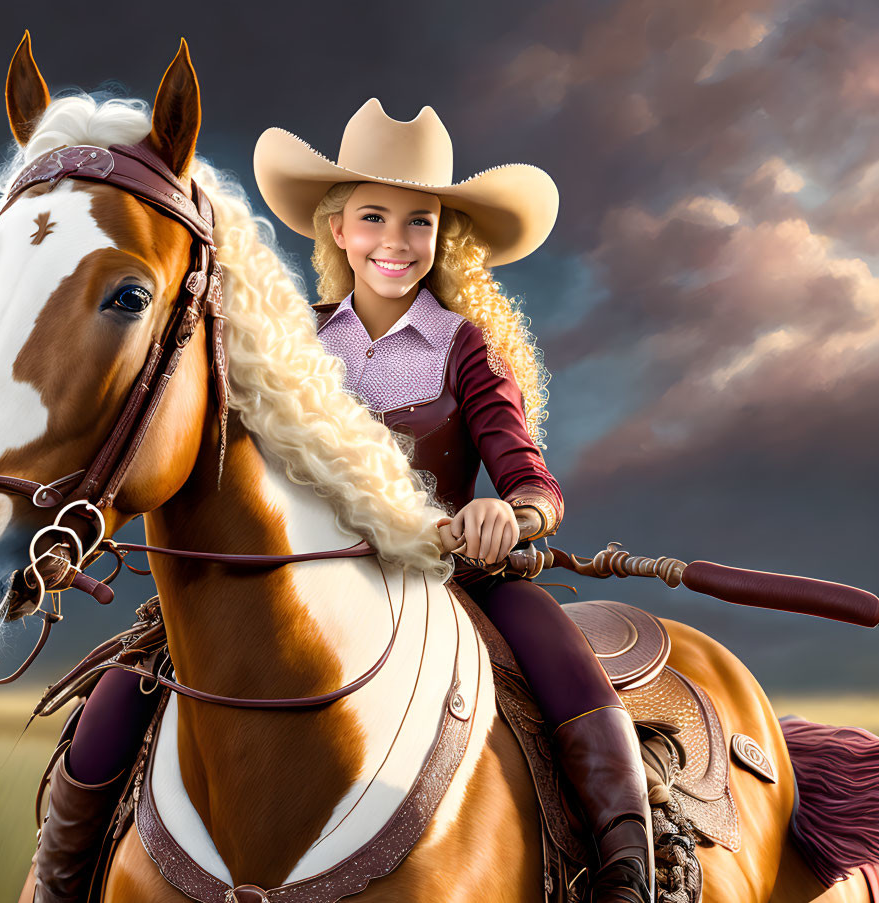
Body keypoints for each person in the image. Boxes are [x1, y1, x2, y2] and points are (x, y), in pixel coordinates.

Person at [250, 98, 654, 903]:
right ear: (337, 229)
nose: (395, 243)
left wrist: (510, 514)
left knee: (560, 662)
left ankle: (633, 862)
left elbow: (529, 478)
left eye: (419, 222)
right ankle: (63, 866)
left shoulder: (466, 348)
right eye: (373, 217)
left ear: (442, 236)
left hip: (448, 580)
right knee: (133, 680)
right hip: (291, 584)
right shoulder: (287, 345)